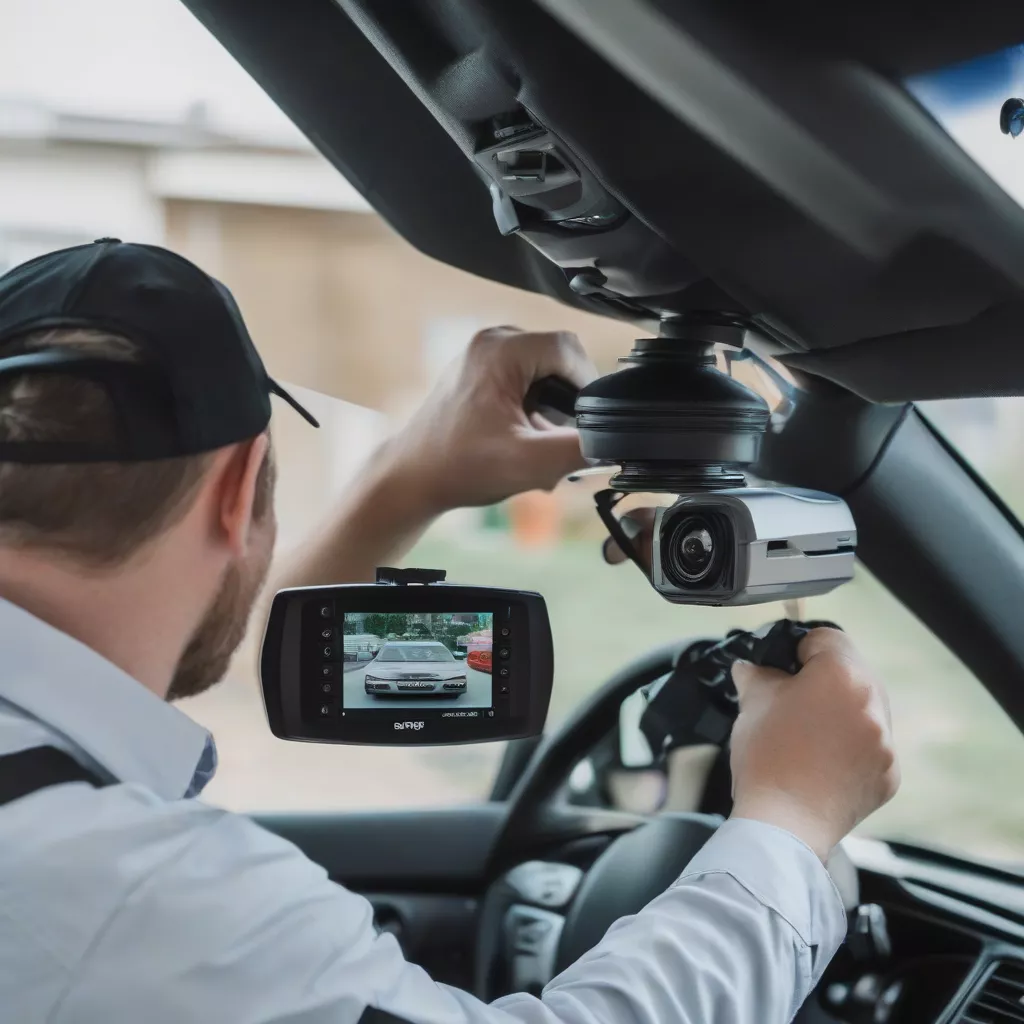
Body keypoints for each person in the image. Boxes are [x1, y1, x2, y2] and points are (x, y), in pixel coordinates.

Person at [0, 239, 898, 1024]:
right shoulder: (136, 897)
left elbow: (185, 644)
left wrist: (408, 479)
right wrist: (790, 819)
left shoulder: (55, 810)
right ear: (241, 491)